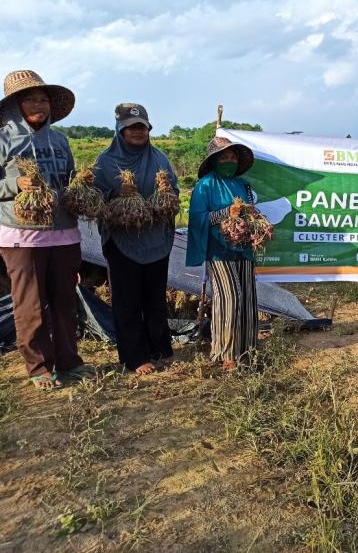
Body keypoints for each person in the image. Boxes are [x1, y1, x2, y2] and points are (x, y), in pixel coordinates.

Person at [0, 70, 94, 389]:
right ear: (15, 105)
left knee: (64, 300)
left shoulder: (59, 139)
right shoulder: (1, 137)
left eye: (43, 99)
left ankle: (69, 361)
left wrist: (80, 186)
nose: (39, 104)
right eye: (30, 99)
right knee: (30, 303)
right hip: (21, 234)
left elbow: (66, 179)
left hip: (64, 231)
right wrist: (16, 183)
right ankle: (39, 366)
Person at [94, 103, 179, 375]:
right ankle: (134, 357)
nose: (137, 132)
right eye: (131, 127)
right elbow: (92, 200)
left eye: (142, 126)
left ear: (149, 129)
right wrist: (116, 193)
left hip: (156, 240)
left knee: (155, 298)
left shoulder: (159, 159)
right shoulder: (105, 162)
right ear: (120, 130)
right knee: (127, 300)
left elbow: (174, 193)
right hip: (122, 243)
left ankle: (161, 349)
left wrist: (167, 191)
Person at [186, 136, 258, 370]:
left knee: (247, 299)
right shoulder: (205, 185)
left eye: (233, 157)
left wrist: (254, 224)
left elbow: (251, 215)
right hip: (218, 252)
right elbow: (198, 219)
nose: (230, 160)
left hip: (243, 249)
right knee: (229, 298)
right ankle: (225, 352)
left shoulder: (243, 185)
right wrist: (227, 212)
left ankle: (247, 349)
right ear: (215, 160)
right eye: (224, 157)